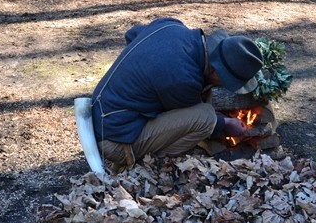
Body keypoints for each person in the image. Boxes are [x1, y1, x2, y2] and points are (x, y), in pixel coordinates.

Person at [90, 17, 264, 168]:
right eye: (226, 81)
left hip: (101, 116)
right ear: (216, 71)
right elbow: (189, 113)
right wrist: (225, 123)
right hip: (115, 140)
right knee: (206, 118)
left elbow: (132, 34)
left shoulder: (171, 25)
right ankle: (149, 163)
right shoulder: (183, 78)